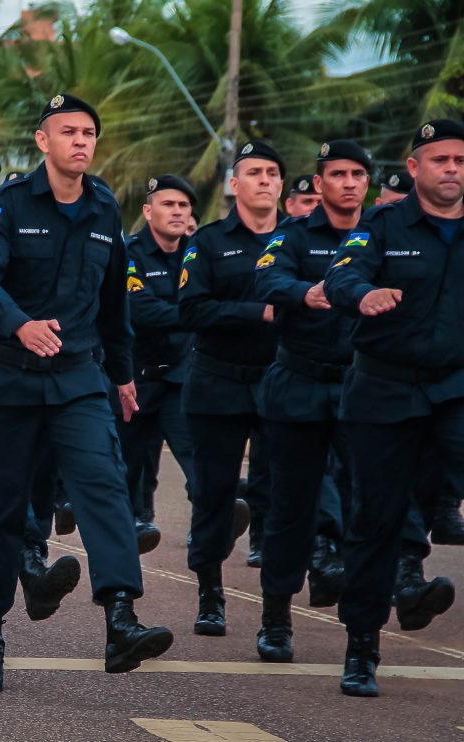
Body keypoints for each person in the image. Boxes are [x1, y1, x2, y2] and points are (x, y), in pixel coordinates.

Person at [0, 94, 171, 692]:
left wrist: (124, 375)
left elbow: (114, 305)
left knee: (105, 488)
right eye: (68, 132)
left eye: (89, 133)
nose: (81, 141)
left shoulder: (105, 208)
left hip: (79, 379)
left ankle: (121, 620)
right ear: (42, 141)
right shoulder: (7, 204)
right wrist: (19, 322)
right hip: (8, 379)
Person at [324, 119, 464, 694]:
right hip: (385, 388)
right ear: (414, 167)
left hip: (463, 387)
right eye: (438, 160)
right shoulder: (380, 225)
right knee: (375, 519)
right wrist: (363, 295)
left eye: (459, 160)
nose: (450, 168)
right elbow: (340, 276)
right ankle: (362, 646)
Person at [251, 139, 371, 661]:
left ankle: (361, 635)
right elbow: (267, 276)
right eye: (337, 174)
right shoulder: (294, 233)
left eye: (357, 174)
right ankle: (276, 618)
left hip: (364, 387)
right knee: (290, 510)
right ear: (319, 184)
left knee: (369, 508)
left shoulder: (383, 236)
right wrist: (303, 291)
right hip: (298, 384)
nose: (348, 182)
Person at [178, 140, 284, 637]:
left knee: (280, 495)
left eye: (271, 172)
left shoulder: (299, 239)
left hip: (281, 381)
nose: (264, 180)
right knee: (214, 494)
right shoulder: (209, 242)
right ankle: (210, 593)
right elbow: (192, 309)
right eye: (253, 172)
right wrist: (256, 312)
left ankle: (276, 614)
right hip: (218, 381)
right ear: (233, 185)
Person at [119, 174, 198, 553]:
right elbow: (138, 308)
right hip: (135, 378)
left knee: (197, 457)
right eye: (169, 204)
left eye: (184, 206)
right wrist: (197, 313)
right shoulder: (130, 253)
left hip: (182, 377)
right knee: (132, 467)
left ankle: (210, 521)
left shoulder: (200, 251)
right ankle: (129, 544)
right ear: (148, 212)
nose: (178, 212)